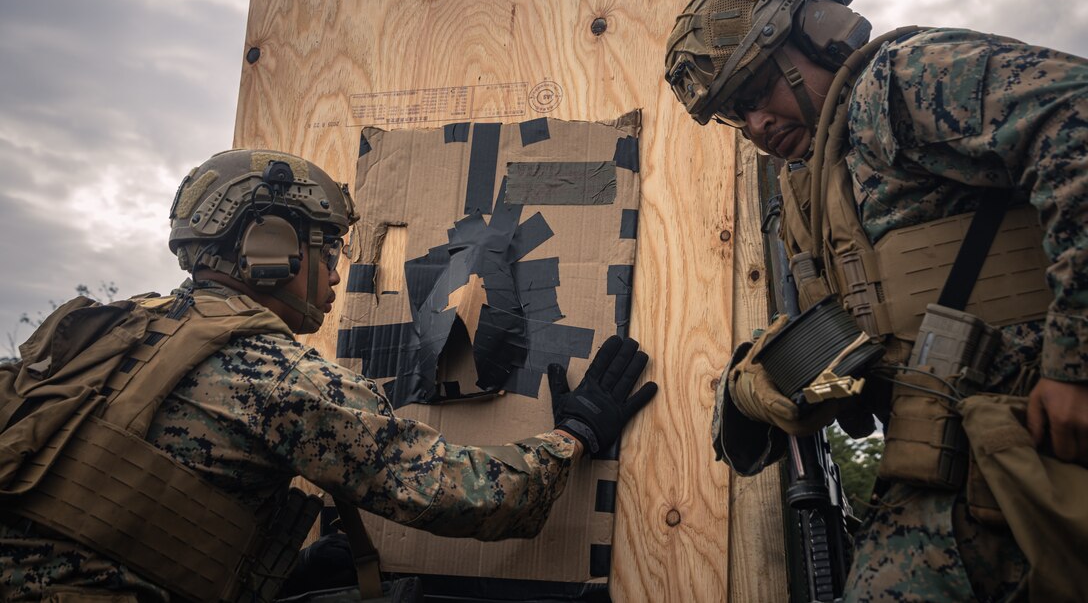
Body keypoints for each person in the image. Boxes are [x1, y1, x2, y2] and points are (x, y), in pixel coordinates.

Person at [0, 148, 657, 601]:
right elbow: (471, 496)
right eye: (329, 246)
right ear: (273, 248)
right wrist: (572, 434)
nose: (340, 271)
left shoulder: (109, 331)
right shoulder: (277, 376)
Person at [665, 0, 1088, 601]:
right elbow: (862, 351)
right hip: (952, 483)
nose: (754, 125)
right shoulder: (810, 195)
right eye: (734, 113)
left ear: (818, 29)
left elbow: (1077, 120)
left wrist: (1075, 362)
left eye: (755, 92)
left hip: (1047, 456)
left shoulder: (902, 79)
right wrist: (772, 389)